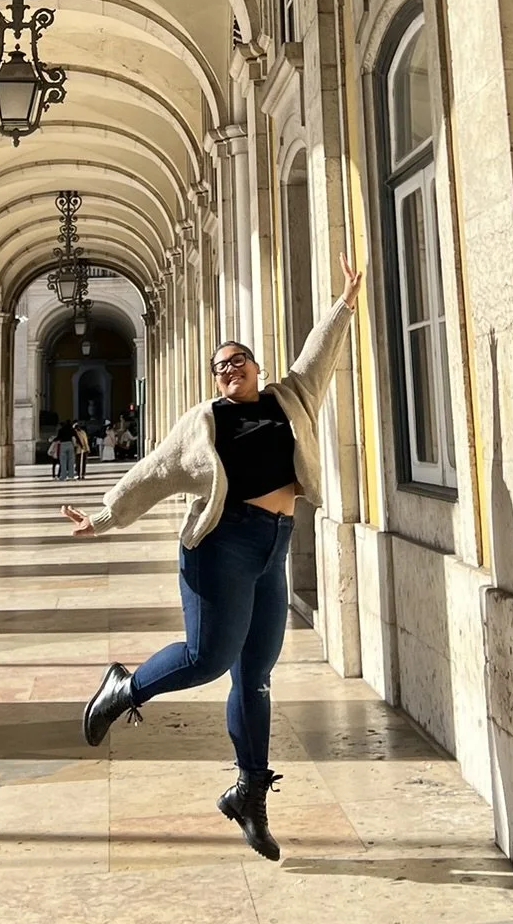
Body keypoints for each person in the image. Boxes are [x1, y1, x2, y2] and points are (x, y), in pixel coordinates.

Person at [61, 251, 362, 862]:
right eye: (220, 367)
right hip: (220, 547)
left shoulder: (289, 399)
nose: (230, 371)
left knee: (255, 676)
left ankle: (249, 792)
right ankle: (125, 687)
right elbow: (153, 473)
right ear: (215, 379)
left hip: (273, 547)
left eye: (238, 362)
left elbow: (320, 354)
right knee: (207, 657)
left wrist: (345, 302)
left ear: (256, 367)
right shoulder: (203, 424)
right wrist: (103, 517)